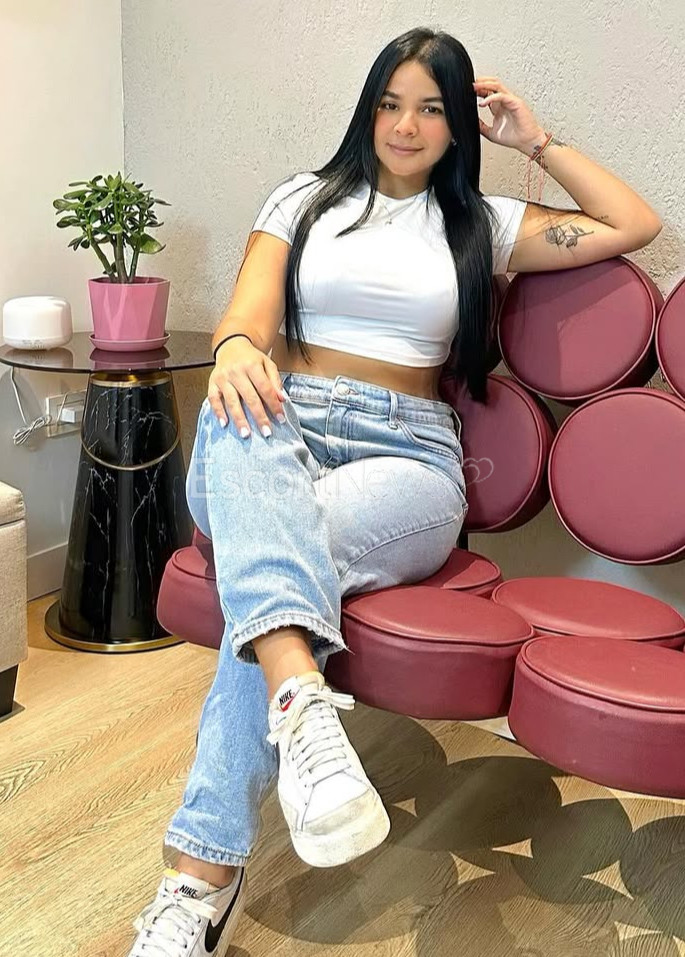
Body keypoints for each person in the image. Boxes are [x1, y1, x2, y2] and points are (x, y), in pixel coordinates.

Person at [127, 25, 662, 957]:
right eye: (389, 103)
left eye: (430, 109)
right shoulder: (303, 197)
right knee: (240, 407)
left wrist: (535, 141)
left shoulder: (482, 223)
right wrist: (239, 348)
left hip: (407, 453)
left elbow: (631, 222)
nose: (405, 125)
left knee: (277, 565)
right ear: (366, 109)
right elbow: (246, 315)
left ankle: (196, 878)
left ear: (457, 126)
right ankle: (300, 708)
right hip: (272, 424)